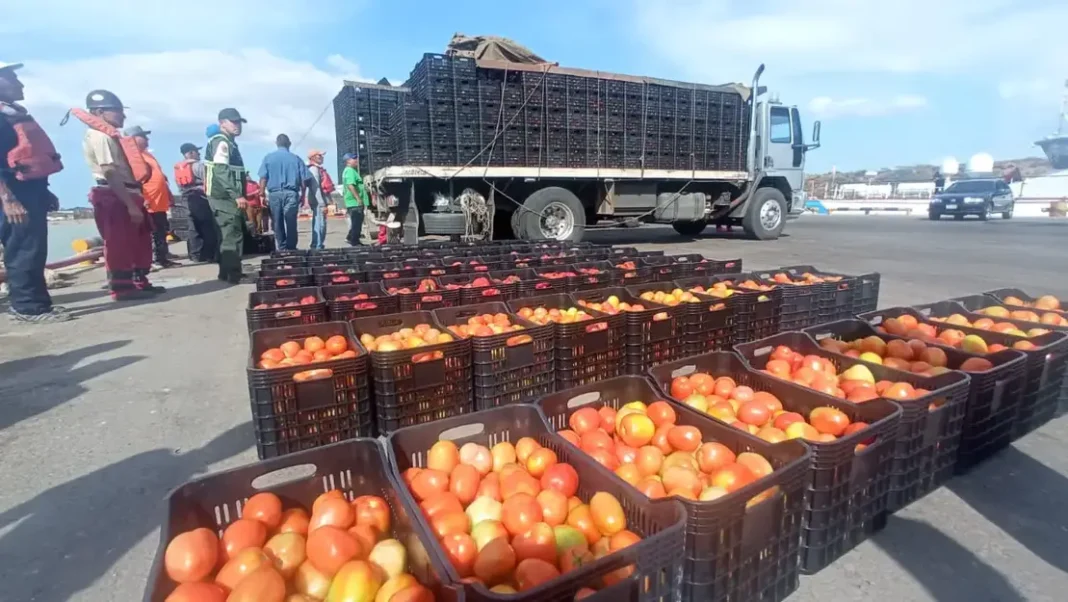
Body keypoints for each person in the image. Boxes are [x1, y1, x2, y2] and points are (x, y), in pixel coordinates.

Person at [69, 89, 162, 300]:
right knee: (119, 243)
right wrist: (129, 204)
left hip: (127, 193)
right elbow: (109, 171)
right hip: (114, 196)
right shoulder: (100, 136)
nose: (123, 116)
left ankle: (139, 281)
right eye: (118, 111)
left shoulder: (110, 135)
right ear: (100, 111)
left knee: (136, 242)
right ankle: (122, 288)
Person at [0, 61, 69, 323]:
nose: (21, 84)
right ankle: (26, 308)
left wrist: (45, 191)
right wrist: (7, 199)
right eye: (12, 79)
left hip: (30, 190)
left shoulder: (12, 114)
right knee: (22, 249)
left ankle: (40, 304)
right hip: (12, 194)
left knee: (35, 248)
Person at [205, 108, 248, 284]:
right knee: (232, 234)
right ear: (222, 123)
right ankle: (233, 274)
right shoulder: (222, 142)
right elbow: (221, 171)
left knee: (226, 234)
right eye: (233, 122)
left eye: (239, 122)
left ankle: (226, 273)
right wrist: (236, 195)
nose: (237, 125)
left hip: (223, 197)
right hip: (224, 197)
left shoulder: (228, 143)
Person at [125, 125, 176, 269]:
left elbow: (160, 177)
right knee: (152, 232)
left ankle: (163, 256)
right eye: (143, 136)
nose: (147, 139)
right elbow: (135, 180)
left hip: (159, 201)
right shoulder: (132, 157)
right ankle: (154, 259)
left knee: (161, 230)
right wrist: (142, 198)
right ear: (133, 139)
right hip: (148, 202)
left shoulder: (148, 155)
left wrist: (169, 194)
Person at [258, 133, 309, 251]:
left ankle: (281, 247)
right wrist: (303, 196)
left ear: (276, 144)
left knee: (277, 221)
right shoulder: (296, 159)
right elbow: (303, 180)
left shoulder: (268, 158)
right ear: (289, 144)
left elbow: (263, 178)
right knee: (291, 222)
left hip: (274, 194)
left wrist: (261, 194)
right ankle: (291, 248)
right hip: (291, 193)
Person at [173, 142, 218, 263]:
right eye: (197, 151)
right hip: (200, 198)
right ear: (190, 153)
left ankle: (195, 255)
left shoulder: (178, 168)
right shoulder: (198, 165)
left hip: (186, 198)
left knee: (193, 228)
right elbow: (209, 181)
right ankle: (209, 255)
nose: (199, 153)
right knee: (207, 226)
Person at [305, 149, 334, 249]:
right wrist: (322, 204)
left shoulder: (318, 169)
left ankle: (317, 244)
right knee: (320, 224)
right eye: (319, 156)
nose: (322, 157)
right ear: (313, 158)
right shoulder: (314, 170)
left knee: (320, 223)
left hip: (320, 201)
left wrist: (329, 201)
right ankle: (317, 246)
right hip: (318, 202)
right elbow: (315, 188)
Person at [342, 153, 369, 246]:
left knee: (356, 222)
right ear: (348, 161)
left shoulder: (350, 170)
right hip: (354, 202)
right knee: (357, 223)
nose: (357, 160)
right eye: (354, 158)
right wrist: (358, 198)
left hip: (352, 202)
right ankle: (354, 242)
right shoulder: (349, 171)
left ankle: (350, 238)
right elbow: (350, 185)